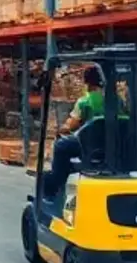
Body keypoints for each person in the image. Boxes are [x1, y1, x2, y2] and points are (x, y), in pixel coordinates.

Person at [45, 65, 109, 196]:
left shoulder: (85, 101)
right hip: (110, 145)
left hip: (89, 147)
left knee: (61, 146)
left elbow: (70, 126)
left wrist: (59, 128)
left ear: (86, 83)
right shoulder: (115, 100)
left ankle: (56, 185)